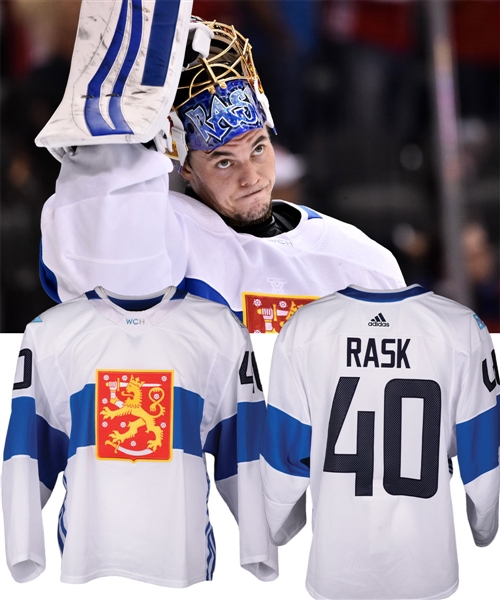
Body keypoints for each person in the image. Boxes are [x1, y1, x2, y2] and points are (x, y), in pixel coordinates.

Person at [38, 4, 405, 334]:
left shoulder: (359, 261)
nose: (251, 178)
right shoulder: (161, 235)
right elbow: (100, 265)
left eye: (258, 149)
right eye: (224, 161)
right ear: (184, 167)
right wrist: (117, 116)